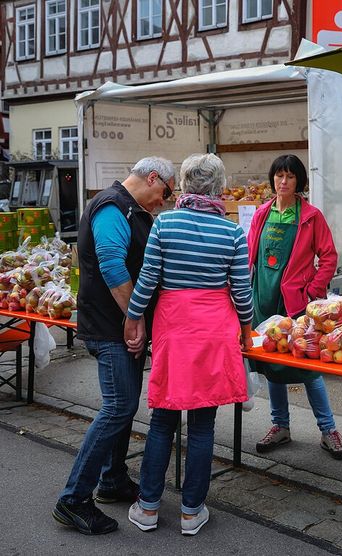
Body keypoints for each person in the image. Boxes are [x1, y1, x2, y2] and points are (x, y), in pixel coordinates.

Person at [124, 153, 253, 536]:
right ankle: (191, 512)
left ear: (183, 184)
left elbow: (147, 280)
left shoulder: (164, 224)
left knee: (163, 419)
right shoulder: (232, 233)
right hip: (215, 329)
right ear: (218, 187)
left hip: (173, 326)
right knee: (202, 425)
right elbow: (242, 293)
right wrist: (247, 334)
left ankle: (147, 508)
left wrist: (133, 319)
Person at [53, 157, 176, 535]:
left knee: (124, 406)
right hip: (111, 328)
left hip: (119, 326)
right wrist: (133, 318)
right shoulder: (111, 206)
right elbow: (111, 264)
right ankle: (73, 499)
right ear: (153, 178)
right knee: (119, 405)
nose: (164, 201)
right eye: (165, 193)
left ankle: (112, 480)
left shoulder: (131, 209)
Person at [247, 154, 342, 460]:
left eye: (290, 176)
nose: (283, 181)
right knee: (273, 365)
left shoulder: (311, 216)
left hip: (294, 304)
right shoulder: (261, 214)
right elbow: (249, 255)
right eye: (279, 175)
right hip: (261, 298)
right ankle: (280, 426)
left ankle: (328, 430)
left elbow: (329, 256)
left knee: (307, 367)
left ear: (299, 181)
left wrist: (313, 291)